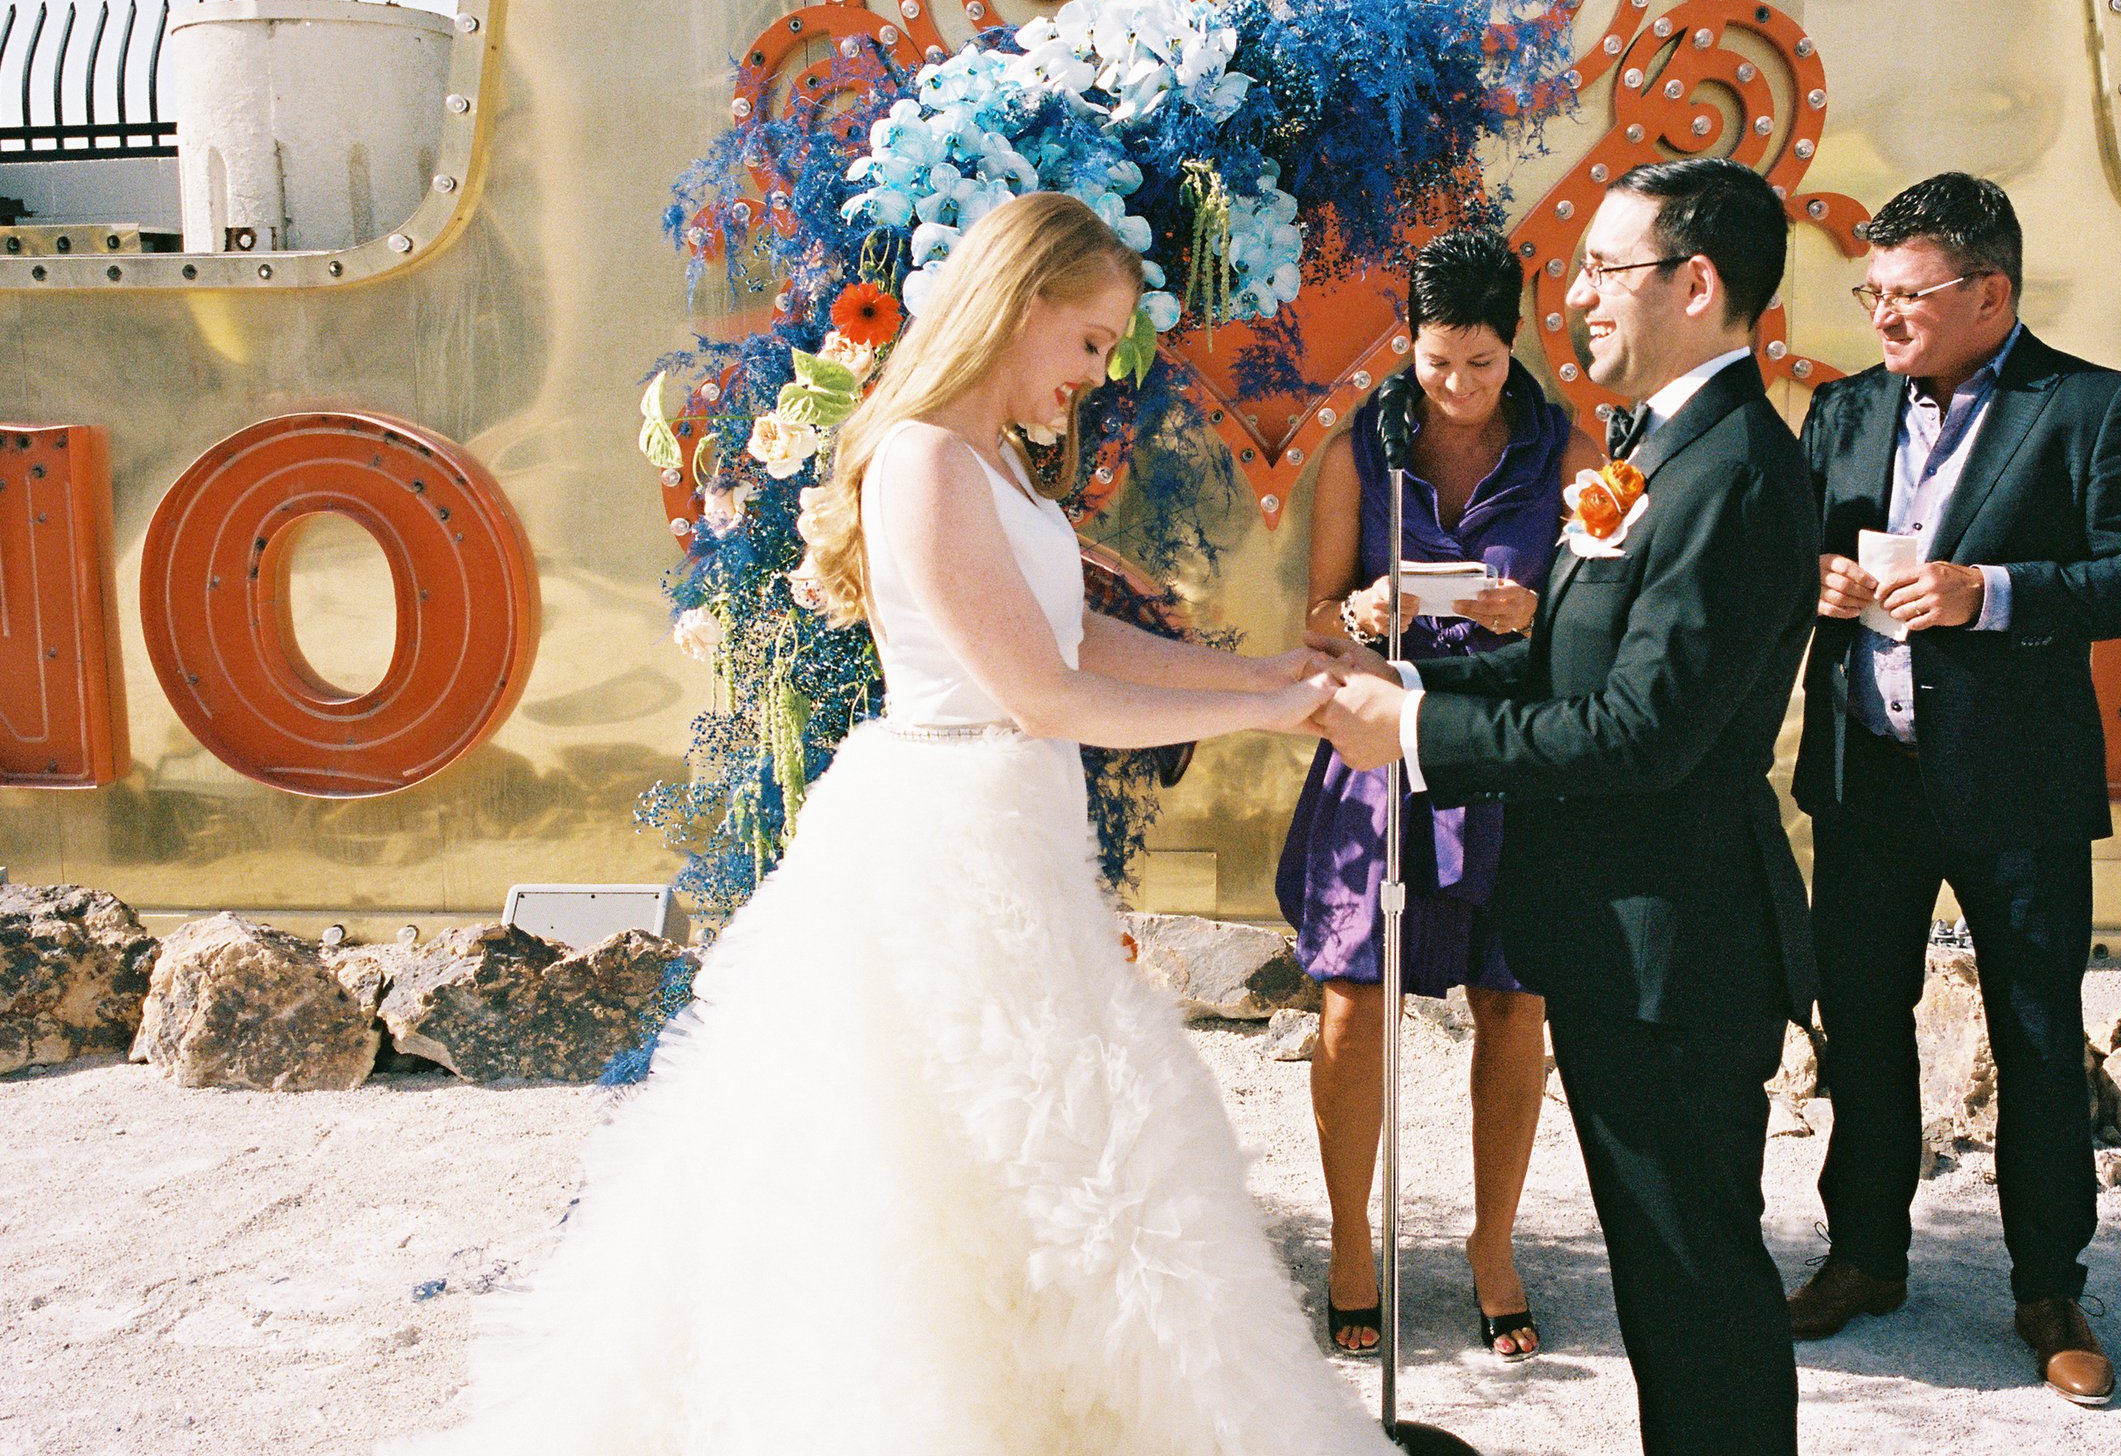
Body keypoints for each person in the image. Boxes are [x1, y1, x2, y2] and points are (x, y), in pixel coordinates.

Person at [387, 192, 1392, 1456]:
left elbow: (1077, 634)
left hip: (1011, 830)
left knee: (1036, 1139)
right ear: (1020, 307)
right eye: (1088, 339)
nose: (1096, 372)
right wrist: (1274, 714)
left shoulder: (993, 463)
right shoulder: (923, 461)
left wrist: (1267, 677)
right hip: (950, 843)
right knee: (978, 1141)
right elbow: (1040, 694)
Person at [1310, 158, 1821, 1456]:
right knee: (1664, 1294)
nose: (1578, 298)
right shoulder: (1655, 447)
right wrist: (1405, 680)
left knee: (1698, 1299)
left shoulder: (1734, 473)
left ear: (1695, 285)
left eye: (1604, 269)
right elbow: (1563, 663)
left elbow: (1639, 731)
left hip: (1674, 951)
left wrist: (1416, 729)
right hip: (1611, 942)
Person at [1783, 172, 2121, 1408]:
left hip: (2016, 784)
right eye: (1872, 291)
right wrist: (1815, 578)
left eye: (1906, 295)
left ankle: (2048, 1290)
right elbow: (1784, 546)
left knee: (2034, 1035)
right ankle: (1864, 1258)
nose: (1881, 315)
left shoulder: (2092, 407)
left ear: (1989, 294)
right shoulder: (1844, 407)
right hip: (1866, 770)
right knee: (1862, 1025)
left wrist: (1989, 593)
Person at [1278, 226, 1602, 1361]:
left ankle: (1492, 1243)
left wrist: (1541, 612)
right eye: (1435, 363)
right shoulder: (1359, 456)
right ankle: (1349, 1239)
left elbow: (1612, 617)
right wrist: (1362, 612)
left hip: (1512, 751)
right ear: (1407, 346)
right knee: (1353, 997)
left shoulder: (1570, 453)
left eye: (1482, 364)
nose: (1458, 387)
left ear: (1514, 347)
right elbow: (1314, 617)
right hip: (1386, 747)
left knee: (1514, 1003)